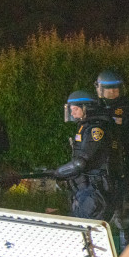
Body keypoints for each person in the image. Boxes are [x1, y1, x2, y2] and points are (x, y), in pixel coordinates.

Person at [95, 70, 129, 240]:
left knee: (125, 212)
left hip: (125, 167)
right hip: (103, 169)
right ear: (100, 90)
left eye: (115, 89)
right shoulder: (96, 108)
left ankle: (128, 247)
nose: (112, 93)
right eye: (108, 89)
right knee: (101, 210)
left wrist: (126, 140)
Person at [50, 91, 116, 221]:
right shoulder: (86, 127)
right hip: (88, 188)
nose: (72, 113)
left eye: (75, 109)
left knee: (83, 226)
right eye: (71, 110)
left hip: (95, 190)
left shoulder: (95, 129)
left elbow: (80, 163)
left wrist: (58, 172)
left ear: (87, 108)